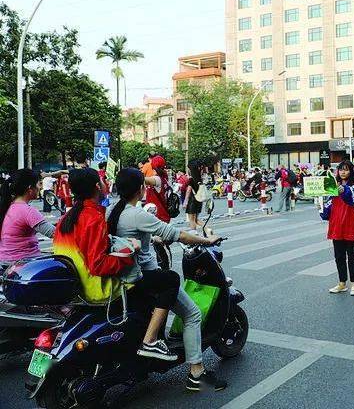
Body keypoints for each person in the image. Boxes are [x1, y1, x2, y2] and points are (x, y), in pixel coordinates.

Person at [106, 168, 227, 390]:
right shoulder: (137, 213)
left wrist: (153, 238)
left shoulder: (115, 212)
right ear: (140, 188)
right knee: (192, 314)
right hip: (145, 277)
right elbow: (178, 234)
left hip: (124, 278)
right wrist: (206, 241)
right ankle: (196, 372)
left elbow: (134, 235)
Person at [52, 168, 177, 360]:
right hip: (98, 287)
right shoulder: (92, 218)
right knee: (170, 279)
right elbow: (99, 265)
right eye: (102, 181)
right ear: (97, 186)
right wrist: (130, 253)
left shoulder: (66, 219)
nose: (105, 184)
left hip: (77, 287)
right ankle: (150, 341)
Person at [0, 169, 56, 263]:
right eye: (39, 184)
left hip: (6, 262)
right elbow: (55, 234)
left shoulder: (8, 207)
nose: (40, 188)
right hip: (23, 265)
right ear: (30, 188)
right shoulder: (28, 211)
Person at [325, 160, 354, 296]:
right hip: (336, 225)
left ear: (351, 171)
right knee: (339, 257)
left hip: (350, 224)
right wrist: (322, 209)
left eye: (346, 169)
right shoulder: (333, 186)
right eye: (341, 170)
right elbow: (329, 204)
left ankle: (353, 284)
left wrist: (343, 190)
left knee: (351, 256)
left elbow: (351, 195)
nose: (343, 172)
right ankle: (342, 283)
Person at [184, 164, 205, 231]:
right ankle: (207, 228)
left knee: (191, 220)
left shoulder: (191, 179)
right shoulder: (200, 179)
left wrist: (185, 201)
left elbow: (188, 191)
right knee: (196, 219)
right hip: (199, 200)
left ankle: (194, 234)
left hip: (192, 201)